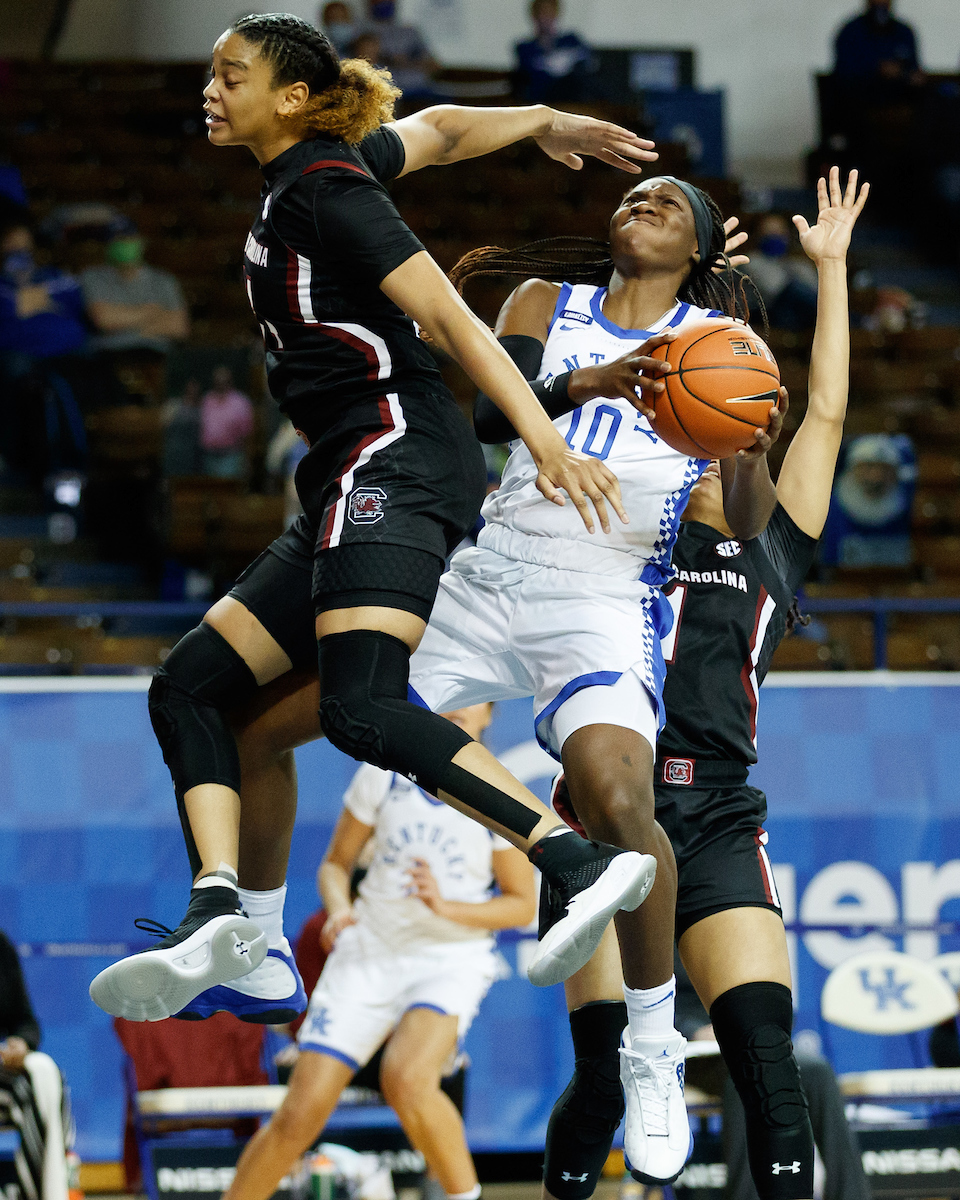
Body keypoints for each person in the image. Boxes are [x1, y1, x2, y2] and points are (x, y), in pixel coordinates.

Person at [104, 173, 777, 1194]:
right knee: (254, 725)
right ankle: (257, 937)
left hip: (601, 597)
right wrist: (596, 384)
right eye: (629, 196)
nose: (638, 206)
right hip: (484, 577)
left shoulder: (722, 352)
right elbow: (492, 418)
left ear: (694, 245)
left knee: (620, 801)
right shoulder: (546, 304)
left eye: (663, 203)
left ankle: (651, 1044)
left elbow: (746, 521)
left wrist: (752, 442)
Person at [90, 12, 667, 1033]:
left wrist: (542, 441)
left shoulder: (329, 192)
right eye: (212, 73)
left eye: (234, 74)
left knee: (361, 707)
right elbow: (439, 130)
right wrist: (542, 119)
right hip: (344, 472)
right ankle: (240, 925)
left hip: (397, 457)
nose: (212, 89)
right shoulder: (314, 174)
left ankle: (574, 861)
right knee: (190, 690)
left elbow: (448, 318)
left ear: (294, 97)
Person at [539, 168, 869, 1200]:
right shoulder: (643, 511)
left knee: (773, 1078)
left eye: (751, 410)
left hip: (719, 813)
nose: (743, 418)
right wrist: (699, 292)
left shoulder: (782, 538)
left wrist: (831, 268)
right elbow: (636, 372)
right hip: (610, 812)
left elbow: (827, 406)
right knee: (604, 1082)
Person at [221, 703, 534, 1200]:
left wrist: (444, 905)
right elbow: (335, 866)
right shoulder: (382, 775)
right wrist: (340, 910)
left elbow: (522, 905)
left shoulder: (498, 789)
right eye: (446, 692)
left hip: (448, 959)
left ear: (490, 713)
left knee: (407, 1078)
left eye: (472, 696)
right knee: (299, 1115)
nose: (456, 704)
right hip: (370, 953)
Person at [673, 959, 870, 1200]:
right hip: (691, 1049)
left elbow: (772, 990)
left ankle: (851, 1194)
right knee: (748, 1074)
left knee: (817, 1071)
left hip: (748, 1036)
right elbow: (648, 1001)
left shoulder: (744, 929)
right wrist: (694, 1030)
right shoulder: (665, 933)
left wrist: (768, 1025)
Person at [0, 204, 89, 484]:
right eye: (12, 246)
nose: (19, 253)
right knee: (20, 378)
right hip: (17, 356)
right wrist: (38, 301)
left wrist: (28, 300)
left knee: (76, 376)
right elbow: (13, 305)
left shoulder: (53, 276)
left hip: (66, 353)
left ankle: (74, 461)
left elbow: (73, 295)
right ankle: (21, 463)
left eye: (24, 245)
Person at [0, 929, 73, 1200]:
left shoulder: (1, 946)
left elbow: (25, 1020)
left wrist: (20, 1042)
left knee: (46, 1077)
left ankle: (44, 1192)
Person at [80, 220, 189, 356]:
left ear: (141, 241)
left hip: (155, 356)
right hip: (108, 356)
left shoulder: (164, 280)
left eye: (128, 238)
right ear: (107, 245)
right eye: (118, 240)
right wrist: (152, 312)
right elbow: (104, 319)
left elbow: (178, 327)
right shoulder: (92, 276)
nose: (124, 244)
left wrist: (122, 319)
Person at [820, 432, 915, 568]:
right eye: (868, 467)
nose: (876, 477)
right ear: (852, 469)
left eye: (884, 469)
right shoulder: (830, 505)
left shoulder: (907, 503)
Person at [745, 215, 819, 333]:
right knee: (793, 290)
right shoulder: (752, 261)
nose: (775, 236)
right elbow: (774, 288)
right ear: (759, 235)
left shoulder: (799, 263)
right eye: (770, 232)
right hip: (770, 315)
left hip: (803, 316)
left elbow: (815, 290)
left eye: (779, 232)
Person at [514, 0, 593, 105]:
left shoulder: (571, 40)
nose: (547, 18)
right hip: (543, 99)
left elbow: (589, 63)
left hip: (572, 99)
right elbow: (528, 78)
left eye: (550, 12)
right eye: (543, 13)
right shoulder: (525, 48)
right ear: (534, 16)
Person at [359, 0, 438, 98]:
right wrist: (388, 58)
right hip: (382, 89)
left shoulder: (409, 31)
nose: (383, 4)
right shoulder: (361, 29)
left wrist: (408, 62)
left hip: (417, 87)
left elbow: (434, 64)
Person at [833, 0, 921, 85]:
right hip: (859, 95)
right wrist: (877, 69)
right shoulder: (851, 33)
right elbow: (843, 71)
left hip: (898, 96)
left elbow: (914, 70)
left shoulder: (904, 33)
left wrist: (903, 73)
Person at [200, 366, 255, 479]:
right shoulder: (207, 399)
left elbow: (248, 434)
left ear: (230, 381)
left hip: (231, 455)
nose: (220, 384)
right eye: (217, 381)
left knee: (229, 490)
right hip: (208, 456)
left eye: (224, 381)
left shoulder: (240, 402)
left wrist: (247, 459)